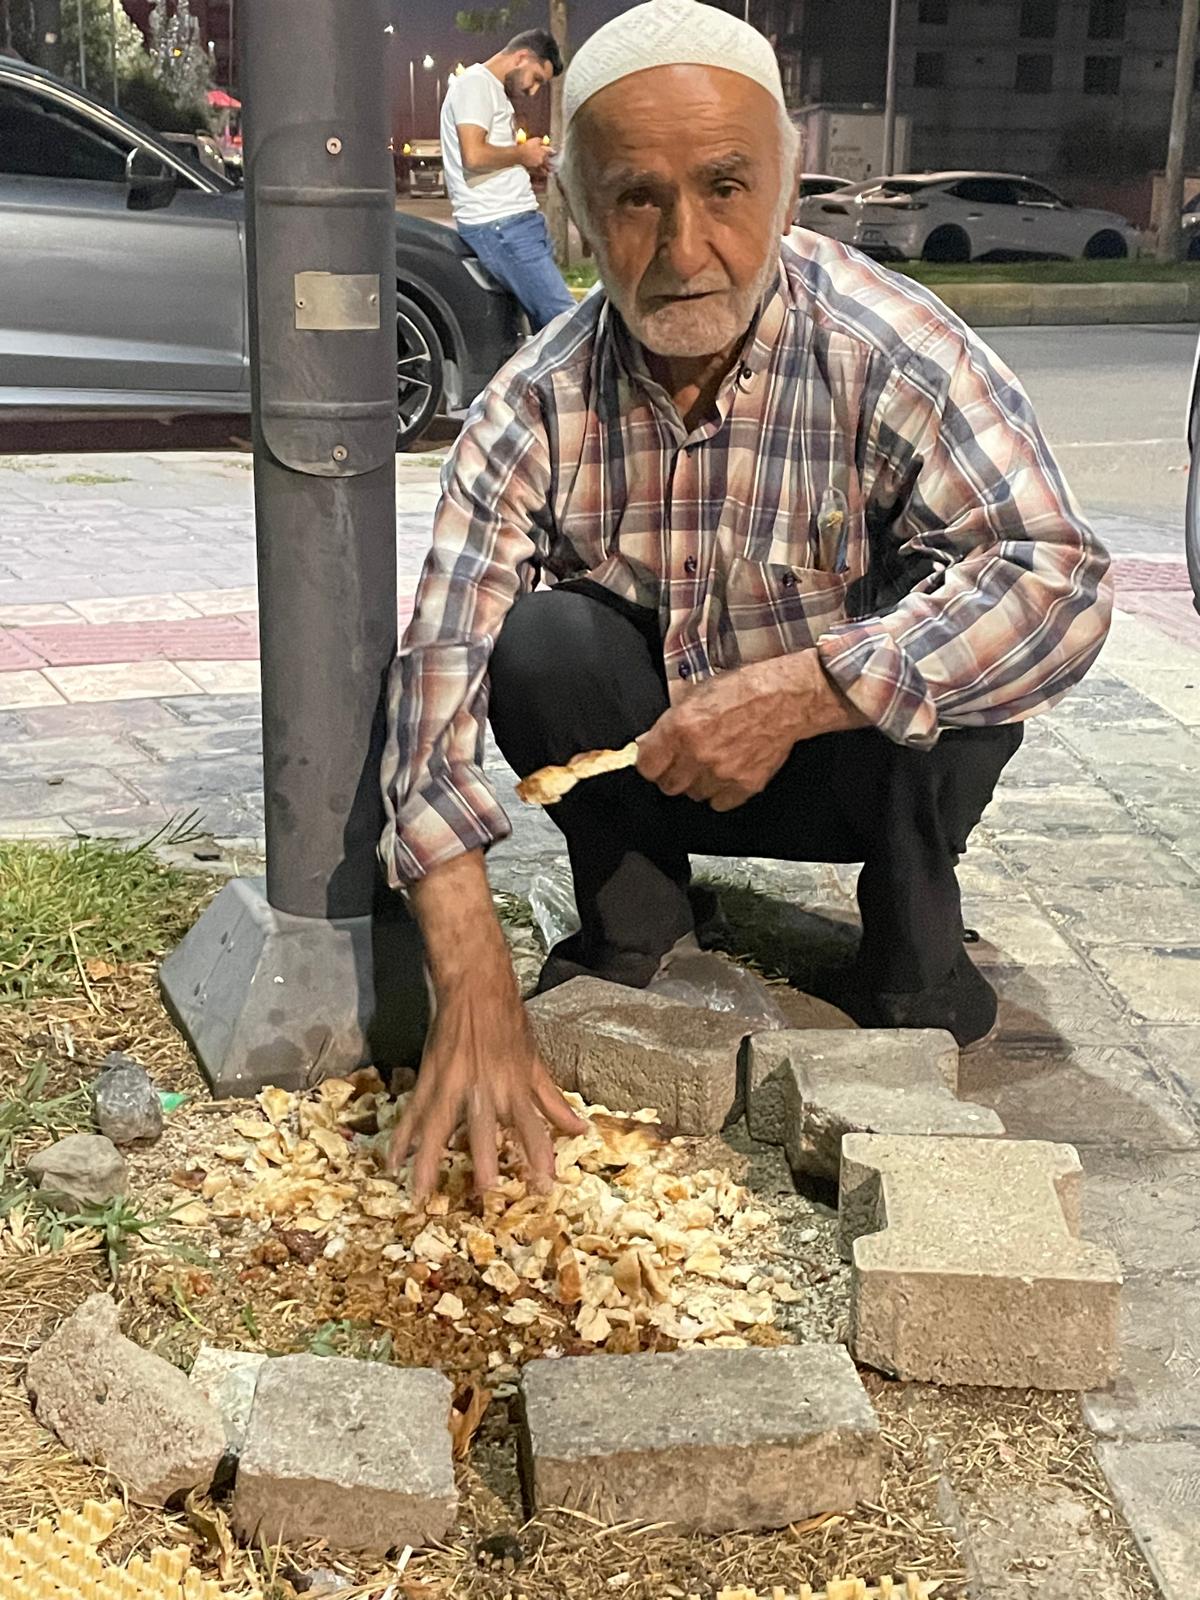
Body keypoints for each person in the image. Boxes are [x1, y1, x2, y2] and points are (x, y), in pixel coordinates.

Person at [382, 0, 1112, 1197]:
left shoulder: (887, 345)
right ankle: (638, 917)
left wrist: (805, 687)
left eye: (726, 188)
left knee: (961, 634)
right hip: (655, 775)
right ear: (572, 208)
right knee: (543, 640)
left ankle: (909, 950)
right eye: (634, 198)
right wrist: (468, 969)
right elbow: (438, 673)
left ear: (784, 189)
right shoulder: (534, 405)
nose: (684, 251)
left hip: (855, 773)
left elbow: (1060, 580)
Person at [441, 28, 577, 331]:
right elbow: (473, 155)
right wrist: (521, 155)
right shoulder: (475, 85)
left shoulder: (489, 89)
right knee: (567, 325)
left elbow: (488, 157)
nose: (534, 91)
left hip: (512, 226)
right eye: (537, 79)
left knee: (544, 330)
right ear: (522, 57)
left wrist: (529, 160)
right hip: (502, 226)